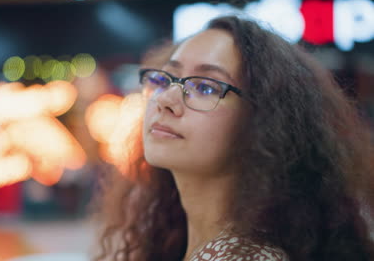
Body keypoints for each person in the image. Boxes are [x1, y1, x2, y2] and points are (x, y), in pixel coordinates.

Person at [91, 15, 374, 261]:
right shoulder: (172, 240)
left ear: (264, 123)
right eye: (165, 79)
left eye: (205, 87)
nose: (166, 99)